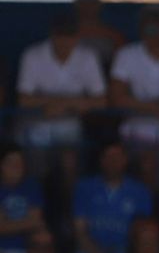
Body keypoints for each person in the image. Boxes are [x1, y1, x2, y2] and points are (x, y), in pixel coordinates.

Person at [109, 6, 159, 195]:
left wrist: (138, 103)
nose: (156, 36)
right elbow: (117, 97)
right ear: (142, 31)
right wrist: (158, 106)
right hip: (135, 128)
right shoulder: (127, 54)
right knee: (144, 168)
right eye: (151, 30)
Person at [15, 13, 105, 180]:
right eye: (60, 35)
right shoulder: (33, 55)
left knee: (70, 165)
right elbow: (24, 99)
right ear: (52, 35)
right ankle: (38, 203)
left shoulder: (87, 57)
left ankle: (68, 205)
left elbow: (100, 100)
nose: (65, 41)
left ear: (77, 37)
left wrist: (61, 104)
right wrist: (69, 102)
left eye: (69, 36)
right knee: (36, 167)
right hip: (37, 123)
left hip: (70, 124)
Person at [73, 142, 152, 253]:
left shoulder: (140, 191)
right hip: (91, 249)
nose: (113, 162)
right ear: (101, 161)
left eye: (117, 157)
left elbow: (141, 233)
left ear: (125, 160)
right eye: (108, 157)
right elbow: (80, 232)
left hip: (125, 251)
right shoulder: (84, 188)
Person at [0, 147, 47, 253]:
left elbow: (36, 221)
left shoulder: (32, 186)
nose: (17, 166)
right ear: (2, 165)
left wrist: (8, 225)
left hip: (29, 251)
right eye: (11, 162)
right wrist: (28, 223)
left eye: (20, 162)